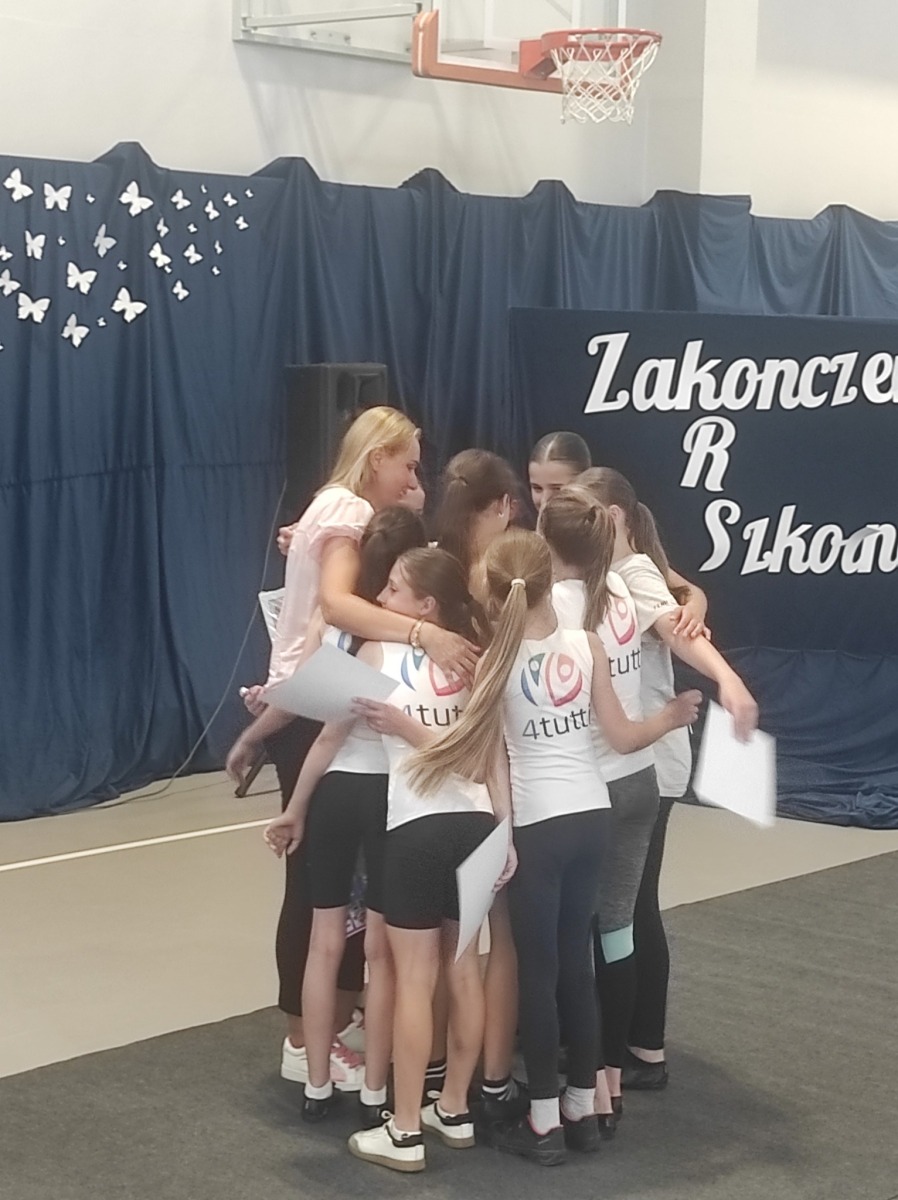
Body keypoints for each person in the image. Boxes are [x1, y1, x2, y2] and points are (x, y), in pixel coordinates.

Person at [406, 529, 700, 1166]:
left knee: (538, 976)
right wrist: (671, 716)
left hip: (539, 828)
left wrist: (504, 829)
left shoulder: (497, 660)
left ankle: (543, 1122)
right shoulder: (586, 643)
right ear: (551, 583)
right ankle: (582, 1108)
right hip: (592, 816)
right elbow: (622, 738)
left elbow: (491, 759)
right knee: (577, 965)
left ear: (494, 592)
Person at [225, 407, 477, 1086]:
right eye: (407, 465)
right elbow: (337, 605)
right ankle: (308, 1038)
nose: (413, 478)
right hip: (320, 715)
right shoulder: (344, 512)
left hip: (313, 708)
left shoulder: (333, 510)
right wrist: (423, 633)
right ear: (377, 458)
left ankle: (330, 1029)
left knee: (335, 899)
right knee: (322, 896)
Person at [284, 547, 495, 1174]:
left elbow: (327, 728)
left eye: (395, 589)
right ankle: (453, 1108)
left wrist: (296, 804)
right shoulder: (478, 659)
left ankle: (399, 1126)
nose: (382, 597)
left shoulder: (378, 654)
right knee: (465, 971)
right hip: (478, 825)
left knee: (410, 978)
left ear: (425, 605)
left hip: (416, 826)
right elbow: (489, 758)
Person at [578, 466, 758, 1089]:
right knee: (626, 907)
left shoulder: (634, 574)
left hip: (645, 761)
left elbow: (678, 634)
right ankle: (626, 1041)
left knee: (627, 909)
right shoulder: (625, 571)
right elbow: (684, 603)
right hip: (637, 757)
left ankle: (636, 1045)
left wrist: (727, 679)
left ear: (612, 518)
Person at [262, 506, 427, 1125]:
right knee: (380, 949)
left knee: (323, 941)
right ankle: (377, 1088)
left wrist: (295, 808)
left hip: (332, 792)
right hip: (387, 796)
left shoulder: (330, 628)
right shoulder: (402, 644)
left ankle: (316, 1082)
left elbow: (323, 734)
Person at [539, 485, 661, 1124]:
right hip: (639, 779)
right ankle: (611, 1077)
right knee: (617, 932)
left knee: (574, 938)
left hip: (591, 786)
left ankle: (583, 1083)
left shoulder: (553, 607)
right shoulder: (619, 589)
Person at [432, 448, 523, 1118]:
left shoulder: (434, 570)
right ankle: (491, 1078)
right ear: (504, 506)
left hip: (443, 779)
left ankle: (434, 1068)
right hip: (504, 765)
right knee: (499, 937)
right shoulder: (509, 579)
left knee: (443, 940)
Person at [527, 431, 708, 640]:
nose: (545, 500)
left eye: (558, 489)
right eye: (537, 488)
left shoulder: (622, 551)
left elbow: (688, 590)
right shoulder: (527, 546)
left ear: (583, 483)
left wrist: (694, 613)